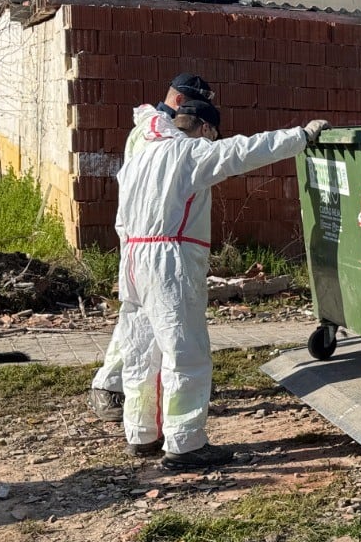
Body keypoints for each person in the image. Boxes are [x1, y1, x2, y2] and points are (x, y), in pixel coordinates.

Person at [117, 98, 330, 470]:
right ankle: (184, 444)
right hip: (171, 259)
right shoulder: (189, 154)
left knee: (141, 350)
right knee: (185, 351)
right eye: (214, 135)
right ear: (207, 129)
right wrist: (301, 136)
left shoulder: (138, 158)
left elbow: (121, 220)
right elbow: (245, 151)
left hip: (132, 258)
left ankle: (140, 434)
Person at [88, 75, 217, 421]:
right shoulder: (156, 133)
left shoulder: (156, 129)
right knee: (149, 330)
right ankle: (110, 386)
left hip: (145, 239)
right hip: (152, 240)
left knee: (147, 326)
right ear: (179, 103)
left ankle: (143, 415)